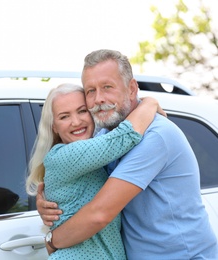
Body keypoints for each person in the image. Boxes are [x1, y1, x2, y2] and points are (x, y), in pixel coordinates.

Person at [36, 49, 218, 259]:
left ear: (132, 88)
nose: (98, 99)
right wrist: (49, 202)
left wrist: (52, 240)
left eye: (107, 87)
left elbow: (99, 213)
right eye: (90, 91)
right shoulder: (104, 135)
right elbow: (79, 186)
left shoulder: (156, 136)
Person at [26, 83, 165, 259]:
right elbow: (125, 136)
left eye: (82, 111)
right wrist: (150, 102)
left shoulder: (97, 153)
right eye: (64, 116)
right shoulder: (65, 156)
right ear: (54, 126)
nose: (76, 122)